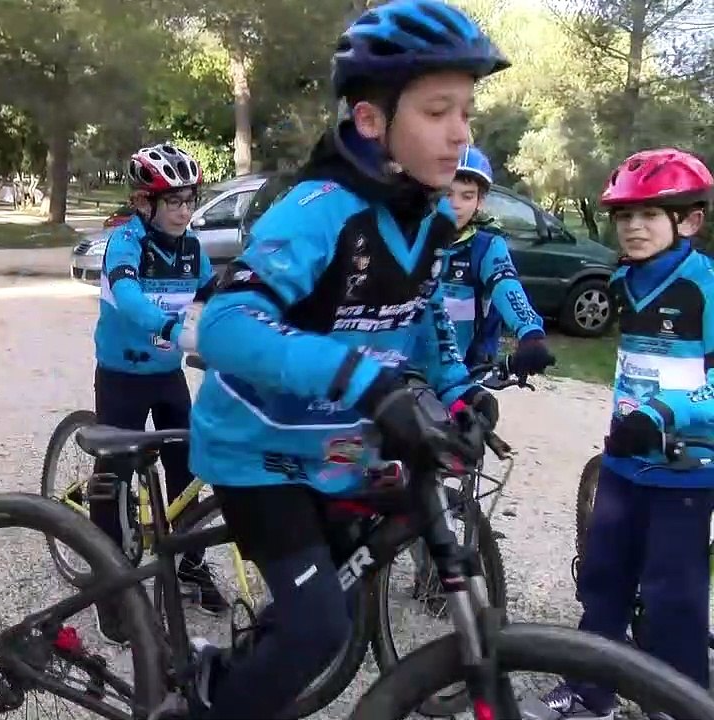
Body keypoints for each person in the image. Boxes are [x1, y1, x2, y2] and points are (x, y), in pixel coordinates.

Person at [168, 2, 511, 717]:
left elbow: (414, 328)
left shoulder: (425, 220)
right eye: (439, 111)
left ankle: (251, 659)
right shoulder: (318, 208)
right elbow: (226, 325)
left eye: (467, 112)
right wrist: (364, 380)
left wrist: (458, 394)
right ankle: (205, 704)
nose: (460, 134)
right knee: (319, 627)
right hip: (256, 454)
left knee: (343, 581)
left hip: (334, 452)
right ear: (370, 121)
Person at [522, 148, 714, 720]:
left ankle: (681, 705)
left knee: (671, 597)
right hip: (624, 465)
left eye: (649, 215)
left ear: (690, 221)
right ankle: (587, 693)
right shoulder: (625, 282)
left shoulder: (703, 287)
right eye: (624, 216)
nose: (633, 227)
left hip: (686, 472)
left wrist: (660, 416)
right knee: (602, 580)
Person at [91, 142, 226, 644]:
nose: (185, 211)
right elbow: (127, 298)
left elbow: (214, 296)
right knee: (116, 479)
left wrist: (232, 332)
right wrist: (174, 328)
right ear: (145, 203)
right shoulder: (124, 242)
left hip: (166, 376)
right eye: (174, 201)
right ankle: (110, 589)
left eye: (190, 200)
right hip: (122, 375)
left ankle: (189, 566)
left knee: (188, 471)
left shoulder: (191, 246)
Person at [443, 145, 554, 373]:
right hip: (408, 373)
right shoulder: (412, 238)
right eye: (446, 193)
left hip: (466, 372)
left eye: (467, 196)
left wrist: (530, 332)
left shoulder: (487, 246)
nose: (455, 204)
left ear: (479, 201)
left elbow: (507, 286)